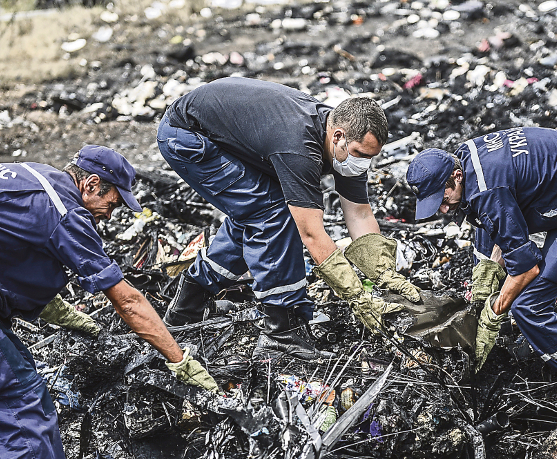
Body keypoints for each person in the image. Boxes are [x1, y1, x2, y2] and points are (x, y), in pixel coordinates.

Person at [0, 146, 217, 459]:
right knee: (19, 396)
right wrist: (179, 360)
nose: (112, 211)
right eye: (112, 199)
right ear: (90, 184)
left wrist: (71, 319)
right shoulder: (67, 214)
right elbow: (127, 300)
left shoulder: (34, 176)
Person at [157, 77, 418, 360]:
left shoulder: (343, 144)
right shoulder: (299, 147)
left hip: (225, 132)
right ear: (339, 136)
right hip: (186, 136)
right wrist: (356, 297)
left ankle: (186, 307)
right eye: (359, 154)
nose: (363, 163)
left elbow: (359, 212)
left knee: (254, 211)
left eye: (370, 157)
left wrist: (384, 273)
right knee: (272, 212)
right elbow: (311, 234)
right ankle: (279, 332)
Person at [406, 127, 557, 414]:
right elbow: (493, 221)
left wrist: (492, 314)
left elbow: (526, 270)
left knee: (527, 306)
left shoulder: (488, 190)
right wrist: (483, 287)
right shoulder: (467, 158)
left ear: (456, 176)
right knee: (484, 239)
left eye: (442, 198)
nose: (442, 209)